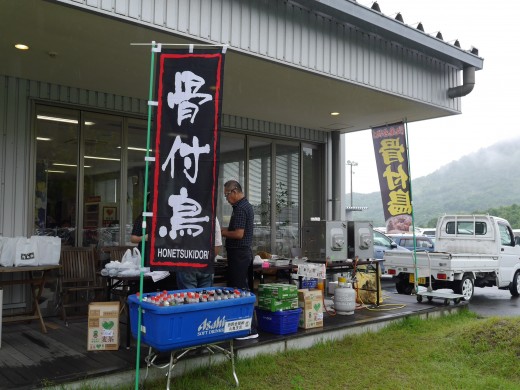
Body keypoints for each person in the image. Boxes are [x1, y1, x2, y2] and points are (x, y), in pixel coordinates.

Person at [221, 180, 258, 340]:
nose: (227, 199)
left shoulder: (242, 208)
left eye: (227, 195)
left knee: (240, 290)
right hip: (240, 253)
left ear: (234, 191)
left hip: (240, 254)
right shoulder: (242, 207)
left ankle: (248, 329)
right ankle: (241, 326)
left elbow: (238, 234)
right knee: (239, 289)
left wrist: (222, 232)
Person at [175, 217, 222, 289]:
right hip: (206, 263)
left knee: (189, 297)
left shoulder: (179, 214)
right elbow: (217, 245)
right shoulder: (212, 215)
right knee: (206, 297)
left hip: (186, 263)